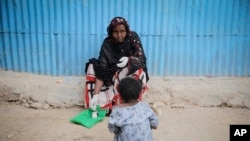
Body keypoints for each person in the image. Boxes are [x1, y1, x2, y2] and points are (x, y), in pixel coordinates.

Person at [86, 17, 149, 109]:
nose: (119, 35)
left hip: (128, 77)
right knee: (92, 66)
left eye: (122, 31)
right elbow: (102, 69)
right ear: (111, 33)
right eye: (115, 32)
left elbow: (142, 59)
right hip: (112, 77)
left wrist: (129, 60)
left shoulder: (133, 37)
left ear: (127, 31)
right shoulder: (108, 43)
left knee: (138, 69)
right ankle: (100, 103)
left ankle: (133, 103)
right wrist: (96, 95)